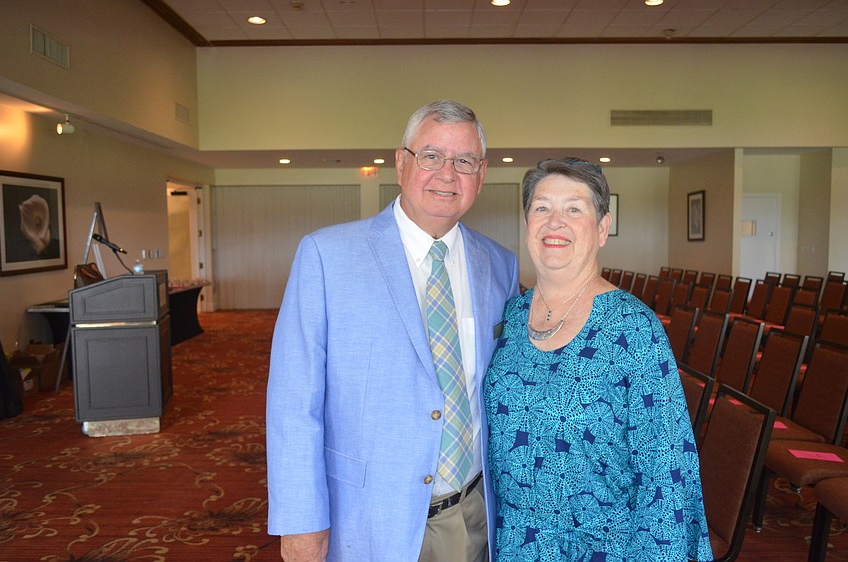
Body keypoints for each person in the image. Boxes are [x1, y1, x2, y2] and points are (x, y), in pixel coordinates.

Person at [266, 100, 520, 562]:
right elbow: (292, 403)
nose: (448, 174)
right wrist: (301, 523)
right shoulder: (327, 256)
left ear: (481, 176)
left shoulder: (500, 265)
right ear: (402, 162)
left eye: (464, 161)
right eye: (431, 156)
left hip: (476, 512)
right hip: (366, 519)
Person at [483, 158, 713, 561]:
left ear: (603, 228)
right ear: (527, 225)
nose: (555, 222)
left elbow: (666, 474)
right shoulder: (513, 316)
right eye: (542, 208)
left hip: (601, 548)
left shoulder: (633, 328)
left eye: (574, 209)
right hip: (513, 543)